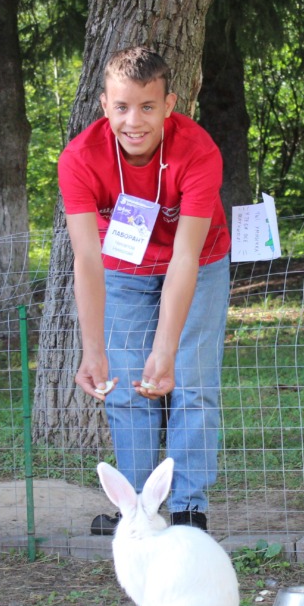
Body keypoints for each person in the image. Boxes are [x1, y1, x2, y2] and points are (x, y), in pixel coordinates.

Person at [58, 46, 231, 535]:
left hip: (198, 263)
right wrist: (93, 352)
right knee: (125, 389)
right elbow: (87, 259)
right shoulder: (79, 159)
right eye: (121, 107)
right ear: (103, 105)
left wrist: (166, 350)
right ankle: (135, 511)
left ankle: (188, 510)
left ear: (169, 104)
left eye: (147, 107)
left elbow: (185, 258)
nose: (134, 121)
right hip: (124, 269)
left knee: (191, 386)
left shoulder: (198, 151)